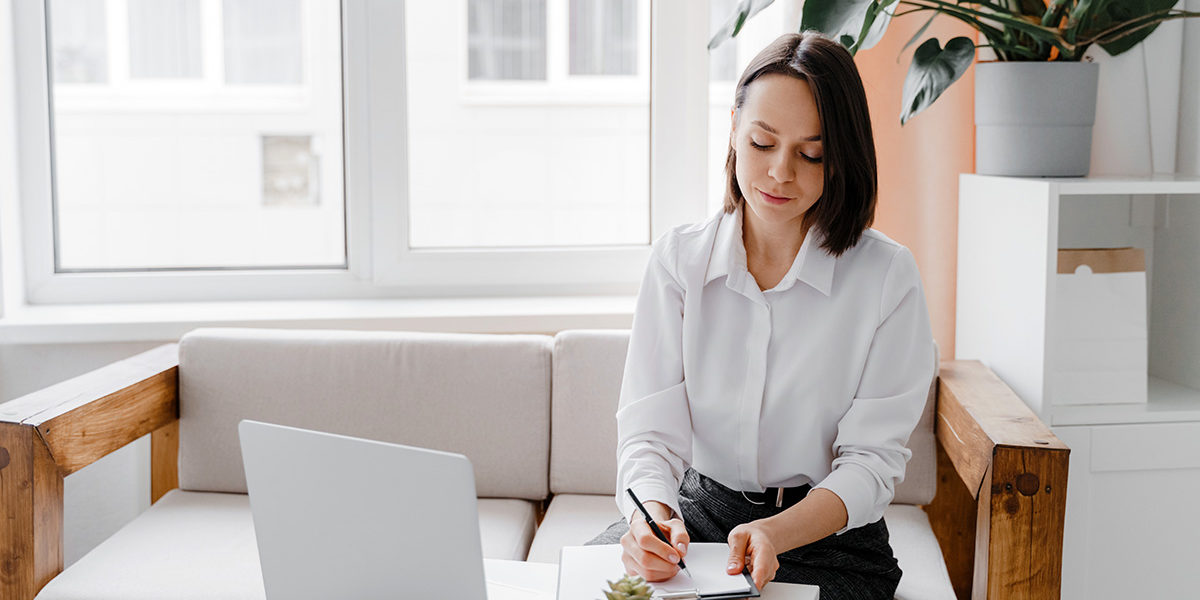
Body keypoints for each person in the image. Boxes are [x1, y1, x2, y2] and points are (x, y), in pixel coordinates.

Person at [585, 32, 936, 600]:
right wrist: (650, 520)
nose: (779, 173)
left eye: (811, 154)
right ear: (733, 128)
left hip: (826, 536)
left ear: (841, 156)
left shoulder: (886, 276)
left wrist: (776, 530)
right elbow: (649, 435)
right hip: (700, 515)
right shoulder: (679, 262)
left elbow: (871, 463)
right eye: (762, 142)